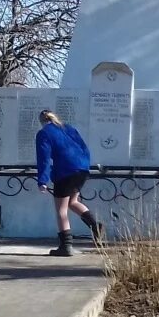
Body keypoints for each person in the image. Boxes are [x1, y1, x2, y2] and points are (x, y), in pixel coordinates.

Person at [35, 109, 104, 256]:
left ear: (41, 121)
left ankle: (66, 246)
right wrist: (84, 166)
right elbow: (84, 149)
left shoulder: (44, 133)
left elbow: (44, 158)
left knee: (61, 210)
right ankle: (95, 225)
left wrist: (42, 180)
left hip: (64, 173)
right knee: (73, 201)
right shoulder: (69, 128)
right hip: (82, 170)